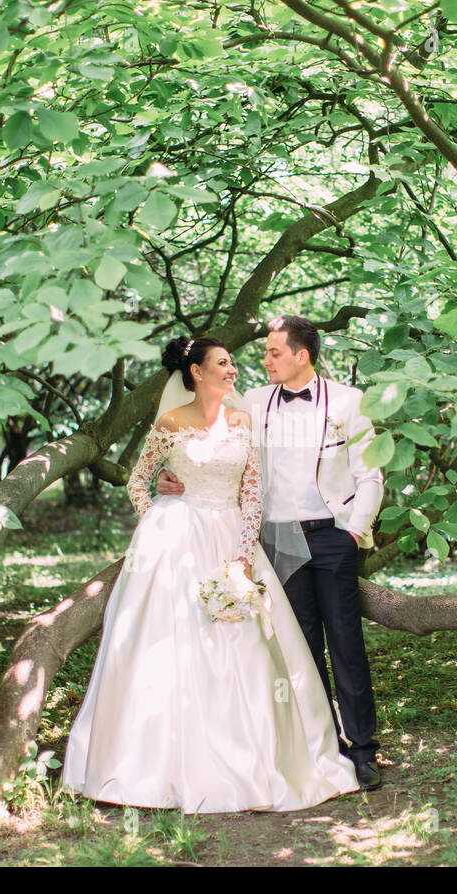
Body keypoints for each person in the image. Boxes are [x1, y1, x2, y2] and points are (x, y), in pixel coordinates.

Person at [60, 335, 359, 813]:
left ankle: (260, 758)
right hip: (176, 540)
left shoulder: (244, 420)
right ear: (197, 372)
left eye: (234, 362)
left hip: (230, 537)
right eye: (223, 363)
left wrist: (243, 556)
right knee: (169, 641)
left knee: (248, 643)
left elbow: (253, 493)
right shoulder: (170, 423)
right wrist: (157, 512)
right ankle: (153, 767)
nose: (234, 369)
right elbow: (139, 481)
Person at [157, 315, 385, 790]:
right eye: (264, 353)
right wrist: (168, 477)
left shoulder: (348, 401)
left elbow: (370, 476)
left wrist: (352, 533)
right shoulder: (253, 403)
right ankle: (323, 746)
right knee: (297, 645)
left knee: (346, 642)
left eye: (274, 352)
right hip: (272, 538)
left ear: (302, 355)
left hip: (330, 535)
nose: (264, 361)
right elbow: (202, 435)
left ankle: (363, 750)